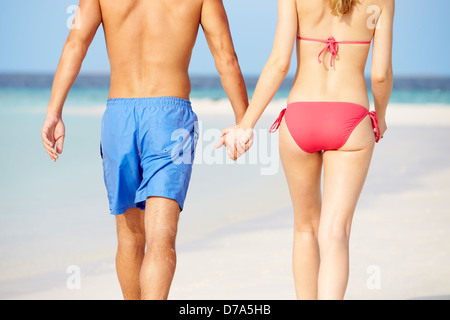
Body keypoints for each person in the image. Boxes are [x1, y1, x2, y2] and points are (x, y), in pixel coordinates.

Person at [41, 0, 248, 300]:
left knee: (129, 238)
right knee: (161, 238)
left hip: (119, 118)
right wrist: (243, 122)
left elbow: (76, 43)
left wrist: (54, 111)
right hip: (170, 119)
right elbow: (226, 57)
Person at [216, 0, 394, 299]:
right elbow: (380, 74)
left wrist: (246, 125)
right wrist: (381, 115)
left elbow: (279, 64)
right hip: (350, 119)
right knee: (335, 231)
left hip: (299, 119)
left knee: (304, 229)